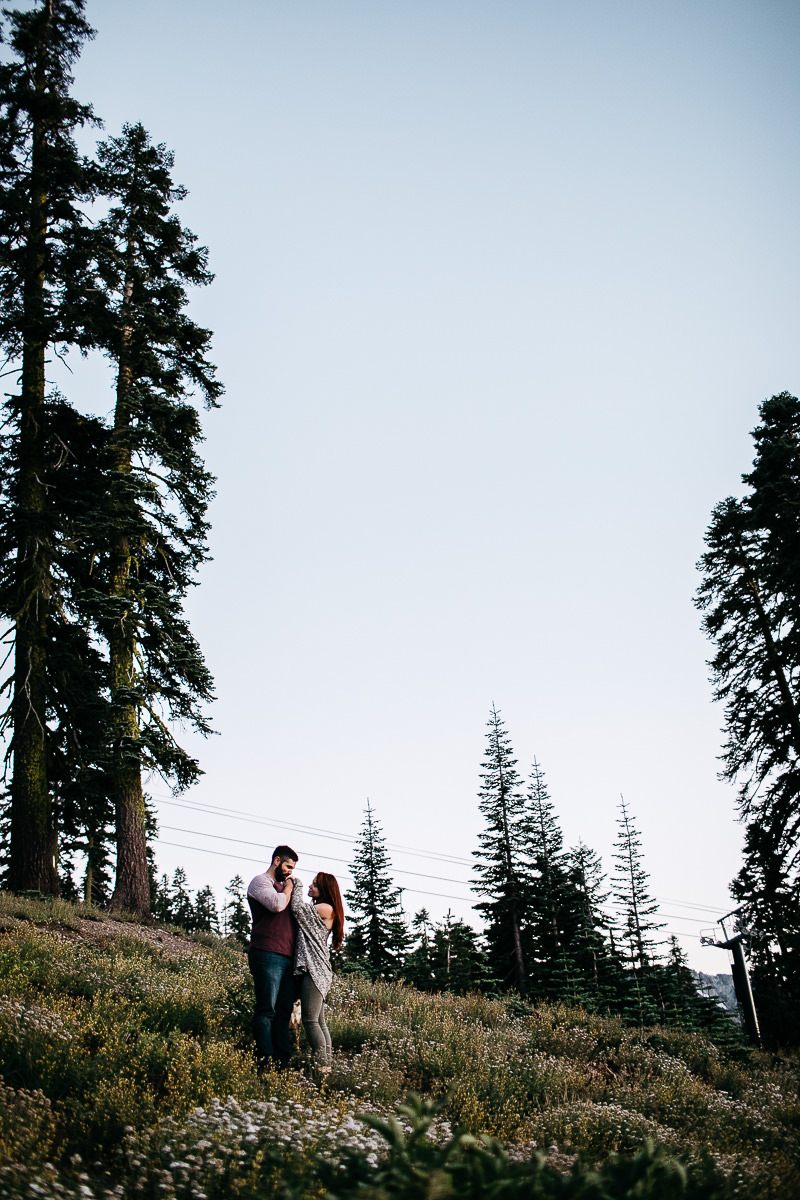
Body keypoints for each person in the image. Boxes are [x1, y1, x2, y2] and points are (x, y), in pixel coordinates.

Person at [246, 844, 299, 1068]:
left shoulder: (283, 887)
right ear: (277, 861)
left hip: (288, 957)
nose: (290, 872)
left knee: (283, 1011)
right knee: (267, 1009)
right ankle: (265, 1059)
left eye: (293, 869)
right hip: (267, 953)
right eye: (288, 866)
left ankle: (282, 1061)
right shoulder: (261, 882)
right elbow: (277, 905)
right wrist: (288, 888)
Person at [289, 871, 344, 1073]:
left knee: (310, 1020)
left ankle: (323, 1066)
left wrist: (297, 883)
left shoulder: (324, 908)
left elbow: (296, 908)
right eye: (310, 884)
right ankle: (327, 1064)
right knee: (320, 1021)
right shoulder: (323, 908)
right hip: (319, 970)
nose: (311, 888)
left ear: (325, 890)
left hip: (315, 970)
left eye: (315, 885)